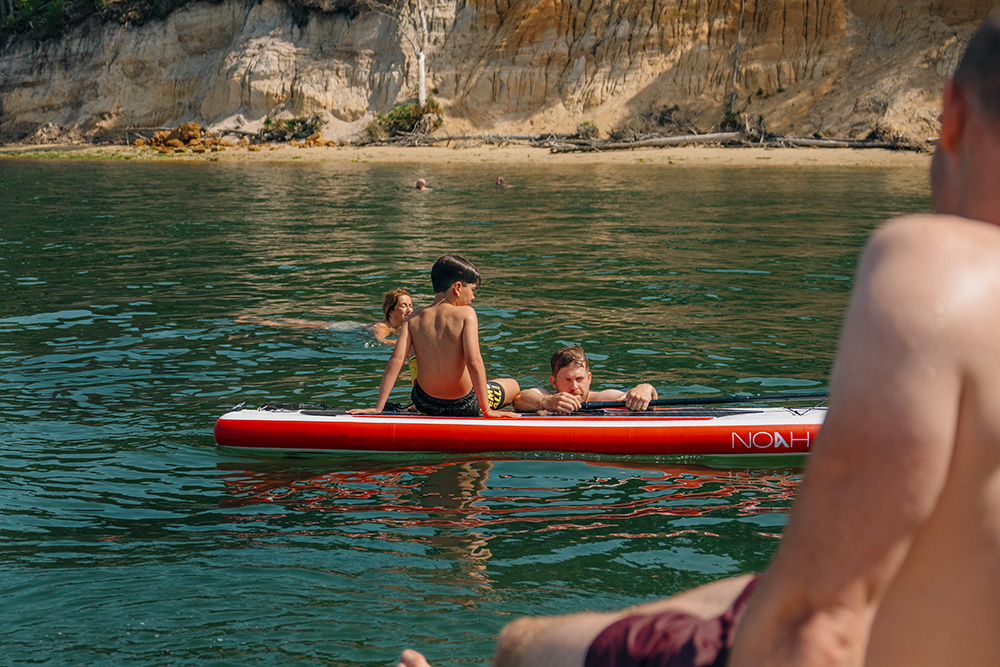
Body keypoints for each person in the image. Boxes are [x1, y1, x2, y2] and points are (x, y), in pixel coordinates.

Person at [396, 11, 1000, 667]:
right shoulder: (538, 384)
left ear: (951, 114)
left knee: (520, 643)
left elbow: (813, 631)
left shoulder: (937, 265)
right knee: (738, 588)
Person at [349, 255, 520, 418]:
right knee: (513, 385)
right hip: (463, 404)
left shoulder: (412, 319)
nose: (473, 297)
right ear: (458, 287)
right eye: (473, 290)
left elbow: (396, 360)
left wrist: (378, 407)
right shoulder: (466, 314)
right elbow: (474, 361)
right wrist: (487, 410)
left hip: (425, 402)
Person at [235, 288, 412, 345]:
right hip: (345, 329)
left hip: (350, 326)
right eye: (404, 306)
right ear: (391, 310)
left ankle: (254, 318)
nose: (410, 310)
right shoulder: (384, 327)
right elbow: (380, 340)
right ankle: (255, 321)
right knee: (295, 325)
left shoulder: (397, 326)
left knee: (302, 323)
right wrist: (398, 344)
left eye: (411, 305)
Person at [512, 344, 658, 413]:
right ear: (554, 382)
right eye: (566, 380)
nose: (574, 387)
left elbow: (644, 402)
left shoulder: (601, 398)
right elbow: (519, 399)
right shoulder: (548, 398)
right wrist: (545, 402)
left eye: (579, 379)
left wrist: (646, 389)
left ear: (589, 378)